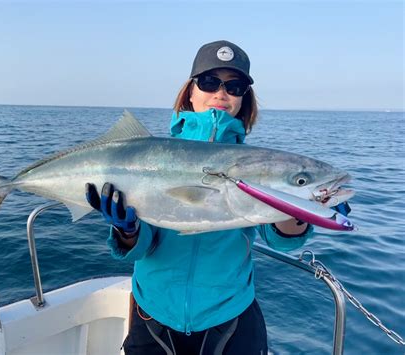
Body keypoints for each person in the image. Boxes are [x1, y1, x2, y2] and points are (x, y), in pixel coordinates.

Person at [85, 40, 346, 355]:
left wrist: (300, 211)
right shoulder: (151, 155)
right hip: (153, 313)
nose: (221, 93)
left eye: (234, 86)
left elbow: (278, 238)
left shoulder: (258, 165)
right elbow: (141, 248)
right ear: (190, 91)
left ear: (243, 99)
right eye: (209, 82)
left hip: (229, 318)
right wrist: (127, 232)